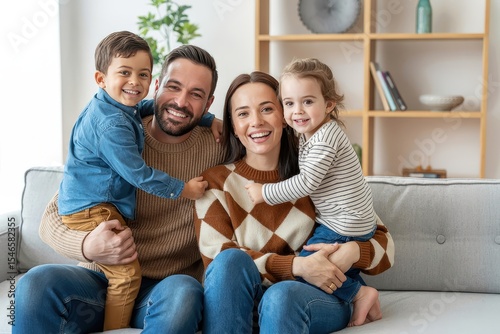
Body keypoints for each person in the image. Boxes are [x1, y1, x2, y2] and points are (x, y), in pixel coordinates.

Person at [13, 44, 225, 333]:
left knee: (185, 292)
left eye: (196, 94)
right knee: (35, 284)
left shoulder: (218, 148)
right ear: (158, 86)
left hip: (163, 290)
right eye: (173, 87)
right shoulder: (117, 133)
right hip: (99, 281)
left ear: (208, 104)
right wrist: (88, 246)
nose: (180, 101)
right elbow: (52, 217)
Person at [194, 71, 394, 333]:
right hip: (243, 303)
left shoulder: (317, 170)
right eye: (243, 113)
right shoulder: (216, 182)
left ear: (286, 115)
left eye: (267, 109)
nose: (256, 121)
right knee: (231, 261)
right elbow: (217, 263)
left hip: (312, 298)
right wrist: (296, 266)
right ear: (232, 124)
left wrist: (355, 252)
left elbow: (385, 245)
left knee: (281, 297)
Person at [245, 57, 379, 327]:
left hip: (345, 222)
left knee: (308, 265)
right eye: (289, 103)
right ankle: (357, 290)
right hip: (349, 219)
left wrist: (264, 193)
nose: (297, 111)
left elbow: (306, 183)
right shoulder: (309, 134)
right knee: (324, 261)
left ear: (329, 105)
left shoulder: (326, 138)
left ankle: (358, 293)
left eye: (308, 101)